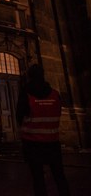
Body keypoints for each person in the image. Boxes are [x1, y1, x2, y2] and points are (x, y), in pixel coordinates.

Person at [16, 64, 70, 196]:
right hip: (52, 143)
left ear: (29, 76)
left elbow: (19, 116)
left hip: (33, 144)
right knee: (59, 176)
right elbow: (57, 112)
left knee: (38, 179)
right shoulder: (55, 94)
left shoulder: (26, 93)